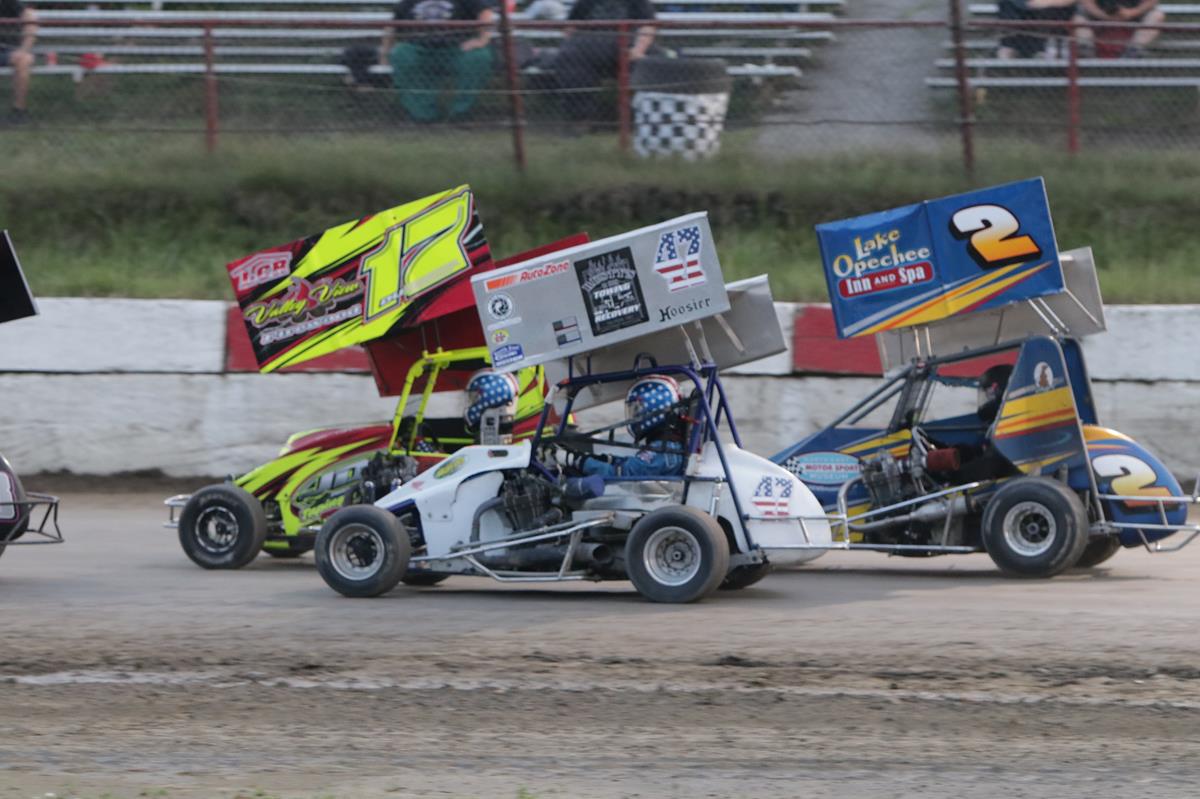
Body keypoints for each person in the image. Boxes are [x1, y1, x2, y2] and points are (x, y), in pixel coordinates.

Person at [381, 0, 495, 122]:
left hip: (458, 49)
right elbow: (392, 25)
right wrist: (384, 54)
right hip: (419, 49)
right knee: (402, 53)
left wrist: (483, 40)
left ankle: (460, 113)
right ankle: (423, 114)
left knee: (479, 57)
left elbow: (485, 13)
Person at [551, 0, 655, 124]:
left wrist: (638, 49)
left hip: (627, 43)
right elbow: (570, 27)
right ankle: (579, 119)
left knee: (654, 62)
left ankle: (643, 117)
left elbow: (648, 25)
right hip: (590, 46)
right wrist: (572, 45)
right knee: (570, 57)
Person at [573, 375, 688, 478]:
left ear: (653, 410)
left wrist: (577, 461)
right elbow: (635, 465)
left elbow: (621, 474)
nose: (634, 416)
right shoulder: (672, 447)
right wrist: (608, 460)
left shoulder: (661, 450)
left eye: (637, 410)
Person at [1074, 0, 1165, 58]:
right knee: (1079, 17)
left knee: (1156, 15)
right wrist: (1104, 16)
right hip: (1100, 14)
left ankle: (1134, 50)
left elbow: (1151, 2)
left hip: (1132, 15)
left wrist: (1132, 13)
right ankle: (1086, 48)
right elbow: (1087, 2)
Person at [996, 0, 1078, 59]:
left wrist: (1041, 3)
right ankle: (1009, 45)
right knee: (1007, 4)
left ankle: (1038, 50)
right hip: (1025, 11)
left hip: (1051, 14)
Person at [0, 0, 35, 122]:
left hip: (8, 50)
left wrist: (24, 50)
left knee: (24, 60)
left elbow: (30, 17)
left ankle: (18, 111)